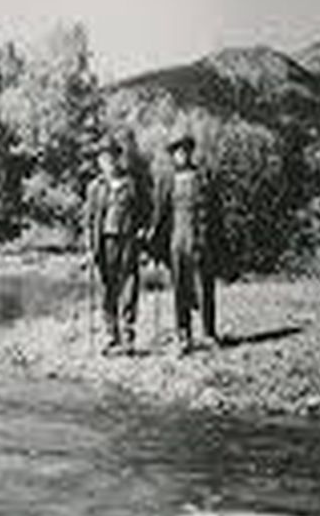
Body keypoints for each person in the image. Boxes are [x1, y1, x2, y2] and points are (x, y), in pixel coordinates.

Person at [151, 128, 222, 355]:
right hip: (177, 241)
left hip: (201, 240)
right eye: (177, 152)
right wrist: (152, 240)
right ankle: (184, 335)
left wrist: (217, 240)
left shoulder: (203, 176)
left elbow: (216, 211)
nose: (181, 155)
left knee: (205, 287)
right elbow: (160, 214)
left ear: (191, 152)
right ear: (173, 155)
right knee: (180, 288)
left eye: (185, 150)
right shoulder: (167, 180)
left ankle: (209, 333)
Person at [84, 128, 151, 353]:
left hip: (129, 241)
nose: (109, 161)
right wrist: (89, 249)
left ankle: (128, 336)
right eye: (104, 157)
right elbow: (88, 221)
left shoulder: (133, 182)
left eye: (112, 155)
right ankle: (111, 336)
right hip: (105, 243)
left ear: (118, 157)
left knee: (129, 287)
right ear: (99, 161)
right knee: (108, 289)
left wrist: (144, 231)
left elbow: (146, 210)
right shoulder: (95, 188)